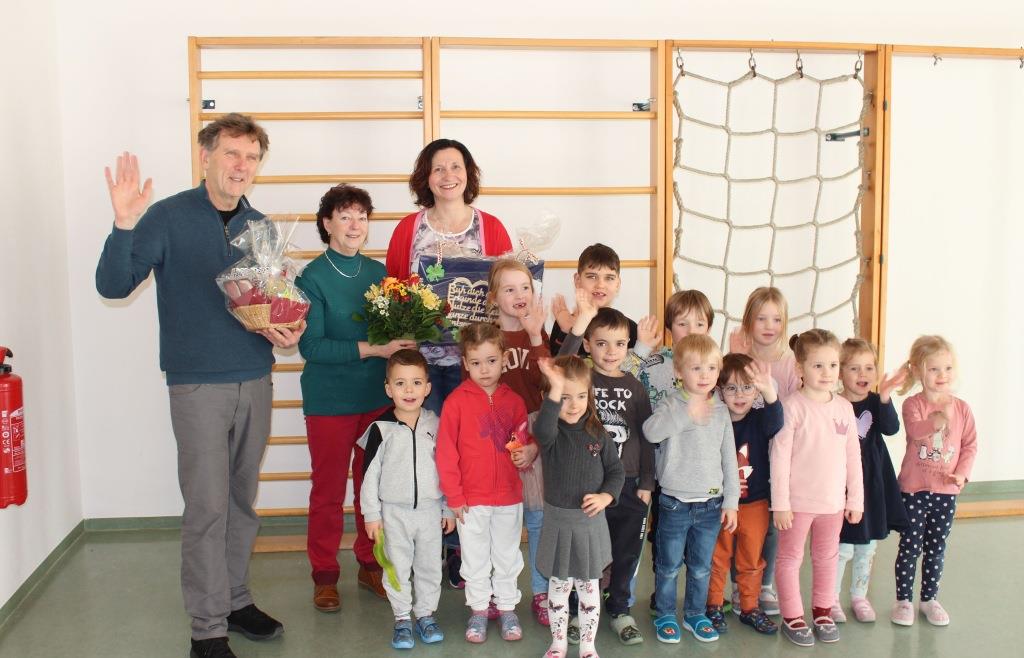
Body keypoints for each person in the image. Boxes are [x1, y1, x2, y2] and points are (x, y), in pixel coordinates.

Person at [95, 113, 303, 658]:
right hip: (197, 386)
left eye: (251, 157)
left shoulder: (260, 226)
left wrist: (288, 328)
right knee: (208, 507)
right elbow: (113, 286)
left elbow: (272, 303)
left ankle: (235, 600)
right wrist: (123, 225)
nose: (241, 165)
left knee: (242, 500)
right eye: (232, 153)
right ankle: (207, 630)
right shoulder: (166, 216)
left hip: (255, 378)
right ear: (206, 156)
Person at [295, 185, 416, 611]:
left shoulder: (379, 274)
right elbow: (312, 347)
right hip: (329, 402)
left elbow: (394, 336)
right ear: (326, 224)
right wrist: (375, 349)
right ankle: (325, 575)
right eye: (345, 216)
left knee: (374, 491)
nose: (354, 225)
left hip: (375, 400)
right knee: (327, 492)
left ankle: (370, 564)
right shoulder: (310, 278)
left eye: (362, 217)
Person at [385, 138, 513, 415]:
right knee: (427, 436)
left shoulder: (491, 227)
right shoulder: (407, 229)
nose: (448, 176)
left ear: (468, 172)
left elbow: (508, 292)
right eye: (438, 169)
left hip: (476, 364)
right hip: (420, 367)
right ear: (426, 177)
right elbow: (392, 292)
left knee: (470, 436)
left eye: (456, 166)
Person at [556, 299, 655, 645]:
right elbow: (558, 366)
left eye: (620, 343)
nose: (611, 352)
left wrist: (646, 482)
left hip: (629, 486)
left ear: (628, 346)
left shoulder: (636, 386)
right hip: (588, 486)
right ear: (587, 344)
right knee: (585, 555)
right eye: (601, 343)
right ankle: (576, 611)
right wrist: (578, 323)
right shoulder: (582, 380)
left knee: (625, 553)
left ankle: (620, 610)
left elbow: (646, 436)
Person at [436, 322, 530, 643]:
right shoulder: (455, 402)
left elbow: (523, 441)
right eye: (476, 363)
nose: (484, 369)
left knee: (507, 556)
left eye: (491, 361)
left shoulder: (514, 401)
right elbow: (446, 453)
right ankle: (478, 610)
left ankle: (507, 609)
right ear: (465, 363)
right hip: (470, 500)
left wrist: (524, 454)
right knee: (475, 557)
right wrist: (454, 496)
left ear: (504, 359)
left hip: (509, 497)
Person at [644, 334, 740, 645]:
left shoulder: (721, 411)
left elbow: (729, 458)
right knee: (669, 566)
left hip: (711, 504)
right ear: (678, 372)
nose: (704, 375)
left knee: (700, 567)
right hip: (674, 502)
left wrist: (731, 501)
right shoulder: (671, 404)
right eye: (696, 368)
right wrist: (686, 414)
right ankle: (666, 613)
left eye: (711, 368)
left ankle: (695, 613)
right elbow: (651, 432)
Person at [770, 330, 863, 647]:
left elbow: (853, 457)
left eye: (833, 365)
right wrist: (780, 503)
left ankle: (823, 611)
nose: (827, 373)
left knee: (827, 558)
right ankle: (792, 616)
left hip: (832, 504)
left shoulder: (844, 408)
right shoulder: (792, 407)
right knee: (790, 559)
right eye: (818, 365)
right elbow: (779, 458)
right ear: (800, 369)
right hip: (796, 504)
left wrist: (855, 499)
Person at [359, 349, 456, 649]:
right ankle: (402, 618)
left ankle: (425, 615)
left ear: (428, 387)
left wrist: (448, 507)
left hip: (429, 512)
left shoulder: (437, 425)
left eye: (416, 383)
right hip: (393, 514)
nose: (409, 390)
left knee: (429, 567)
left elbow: (449, 469)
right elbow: (369, 476)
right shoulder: (380, 429)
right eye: (400, 383)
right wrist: (371, 515)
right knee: (397, 567)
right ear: (389, 389)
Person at [534, 355, 626, 658]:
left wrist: (606, 497)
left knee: (589, 591)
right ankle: (558, 643)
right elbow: (542, 429)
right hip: (559, 525)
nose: (573, 405)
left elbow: (616, 472)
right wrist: (555, 388)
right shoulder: (551, 435)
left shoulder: (598, 433)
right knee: (558, 591)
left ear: (590, 395)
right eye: (564, 397)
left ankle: (588, 646)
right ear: (551, 398)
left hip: (589, 526)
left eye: (581, 396)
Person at [890, 335, 977, 627]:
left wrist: (962, 474)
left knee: (936, 548)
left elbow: (969, 445)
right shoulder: (913, 404)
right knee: (910, 546)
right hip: (914, 490)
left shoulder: (962, 409)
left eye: (948, 368)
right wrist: (935, 422)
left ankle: (929, 599)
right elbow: (915, 431)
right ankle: (903, 601)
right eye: (934, 369)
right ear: (918, 371)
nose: (942, 375)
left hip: (946, 492)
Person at [728, 285, 800, 614]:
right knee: (737, 520)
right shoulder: (740, 353)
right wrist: (734, 355)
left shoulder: (789, 362)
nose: (769, 326)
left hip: (777, 454)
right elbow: (723, 389)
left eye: (777, 319)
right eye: (761, 318)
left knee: (768, 524)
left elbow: (793, 410)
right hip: (744, 451)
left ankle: (765, 583)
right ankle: (737, 583)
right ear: (748, 321)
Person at [486, 258, 548, 624]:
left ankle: (541, 592)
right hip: (494, 435)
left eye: (525, 287)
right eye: (509, 289)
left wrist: (537, 336)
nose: (519, 295)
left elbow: (549, 386)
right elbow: (472, 391)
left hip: (534, 436)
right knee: (501, 523)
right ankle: (499, 592)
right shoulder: (485, 337)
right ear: (494, 297)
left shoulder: (536, 333)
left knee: (537, 519)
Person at [704, 354, 782, 636]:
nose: (740, 395)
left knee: (751, 560)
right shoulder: (714, 419)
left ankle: (749, 607)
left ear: (756, 392)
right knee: (718, 557)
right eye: (732, 388)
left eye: (747, 387)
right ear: (720, 390)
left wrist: (769, 393)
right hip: (721, 504)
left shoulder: (760, 419)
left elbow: (776, 423)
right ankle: (712, 605)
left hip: (754, 504)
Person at [833, 338, 909, 623]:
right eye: (854, 368)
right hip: (841, 484)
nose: (862, 374)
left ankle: (859, 596)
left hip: (872, 485)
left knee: (867, 547)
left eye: (869, 368)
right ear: (840, 372)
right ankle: (830, 599)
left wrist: (886, 396)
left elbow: (891, 428)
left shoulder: (876, 403)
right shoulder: (834, 403)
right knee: (841, 547)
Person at [550, 243, 638, 356]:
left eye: (609, 278)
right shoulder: (564, 321)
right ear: (577, 280)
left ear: (617, 284)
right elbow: (558, 366)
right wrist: (567, 331)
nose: (600, 285)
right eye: (592, 277)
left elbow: (634, 366)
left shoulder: (630, 328)